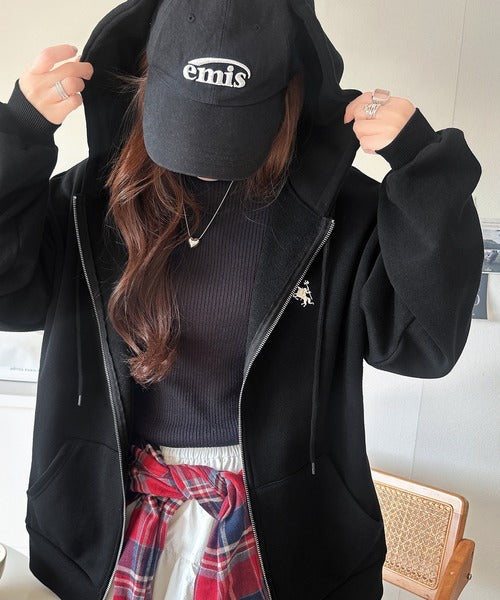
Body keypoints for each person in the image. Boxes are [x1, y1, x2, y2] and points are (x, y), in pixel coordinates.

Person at [0, 0, 484, 599]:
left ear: (289, 91)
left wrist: (424, 170)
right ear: (146, 77)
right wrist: (16, 137)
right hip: (110, 520)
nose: (208, 158)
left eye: (233, 126)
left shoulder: (336, 213)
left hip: (280, 528)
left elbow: (421, 344)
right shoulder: (90, 202)